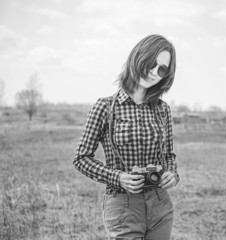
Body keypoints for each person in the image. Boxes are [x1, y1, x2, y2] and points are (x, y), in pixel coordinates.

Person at [73, 34, 180, 240]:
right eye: (151, 62)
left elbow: (168, 155)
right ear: (138, 57)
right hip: (122, 206)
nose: (154, 72)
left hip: (160, 204)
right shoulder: (104, 107)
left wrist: (172, 174)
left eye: (162, 69)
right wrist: (118, 177)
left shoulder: (163, 110)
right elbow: (81, 159)